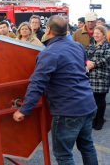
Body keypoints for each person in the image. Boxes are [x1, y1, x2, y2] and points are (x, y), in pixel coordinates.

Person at [13, 15, 98, 165]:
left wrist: (24, 109)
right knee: (87, 146)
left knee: (63, 154)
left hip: (68, 111)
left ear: (49, 29)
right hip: (88, 104)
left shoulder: (48, 53)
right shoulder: (77, 46)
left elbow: (37, 83)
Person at [85, 25, 110, 130]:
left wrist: (93, 64)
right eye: (94, 33)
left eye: (98, 33)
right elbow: (84, 56)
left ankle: (100, 120)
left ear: (104, 35)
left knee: (100, 99)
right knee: (92, 100)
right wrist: (86, 62)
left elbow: (107, 58)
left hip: (101, 77)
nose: (95, 35)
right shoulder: (91, 45)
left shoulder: (107, 46)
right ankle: (94, 119)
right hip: (90, 76)